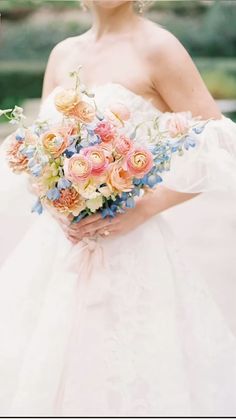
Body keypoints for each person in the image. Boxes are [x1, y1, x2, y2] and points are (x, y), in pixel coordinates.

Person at [0, 0, 236, 416]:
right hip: (58, 248)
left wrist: (147, 207)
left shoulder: (159, 47)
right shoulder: (62, 54)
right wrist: (57, 202)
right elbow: (38, 146)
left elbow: (220, 147)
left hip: (132, 250)